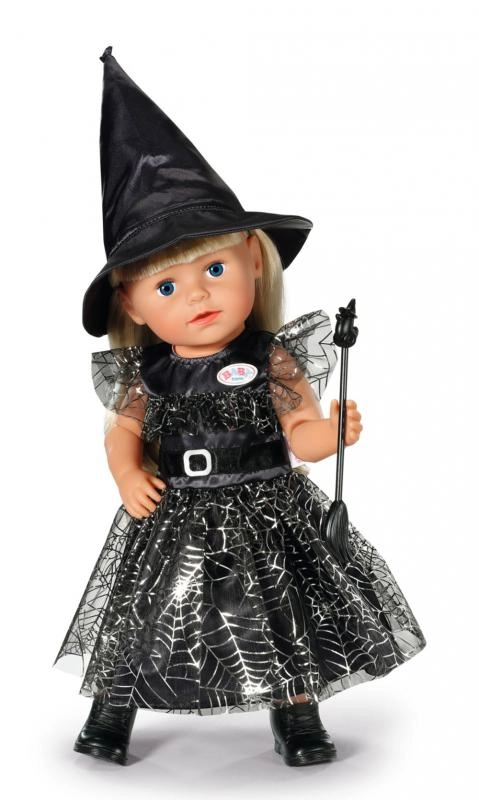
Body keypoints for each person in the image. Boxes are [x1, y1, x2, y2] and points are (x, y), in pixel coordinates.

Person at [52, 48, 426, 768]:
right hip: (174, 507)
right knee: (145, 608)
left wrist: (326, 435)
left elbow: (299, 429)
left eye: (215, 269)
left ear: (254, 261)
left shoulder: (271, 357)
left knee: (285, 609)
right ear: (132, 304)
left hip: (266, 503)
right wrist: (127, 473)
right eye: (166, 286)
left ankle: (296, 710)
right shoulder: (147, 372)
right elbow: (122, 433)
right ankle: (114, 707)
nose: (196, 294)